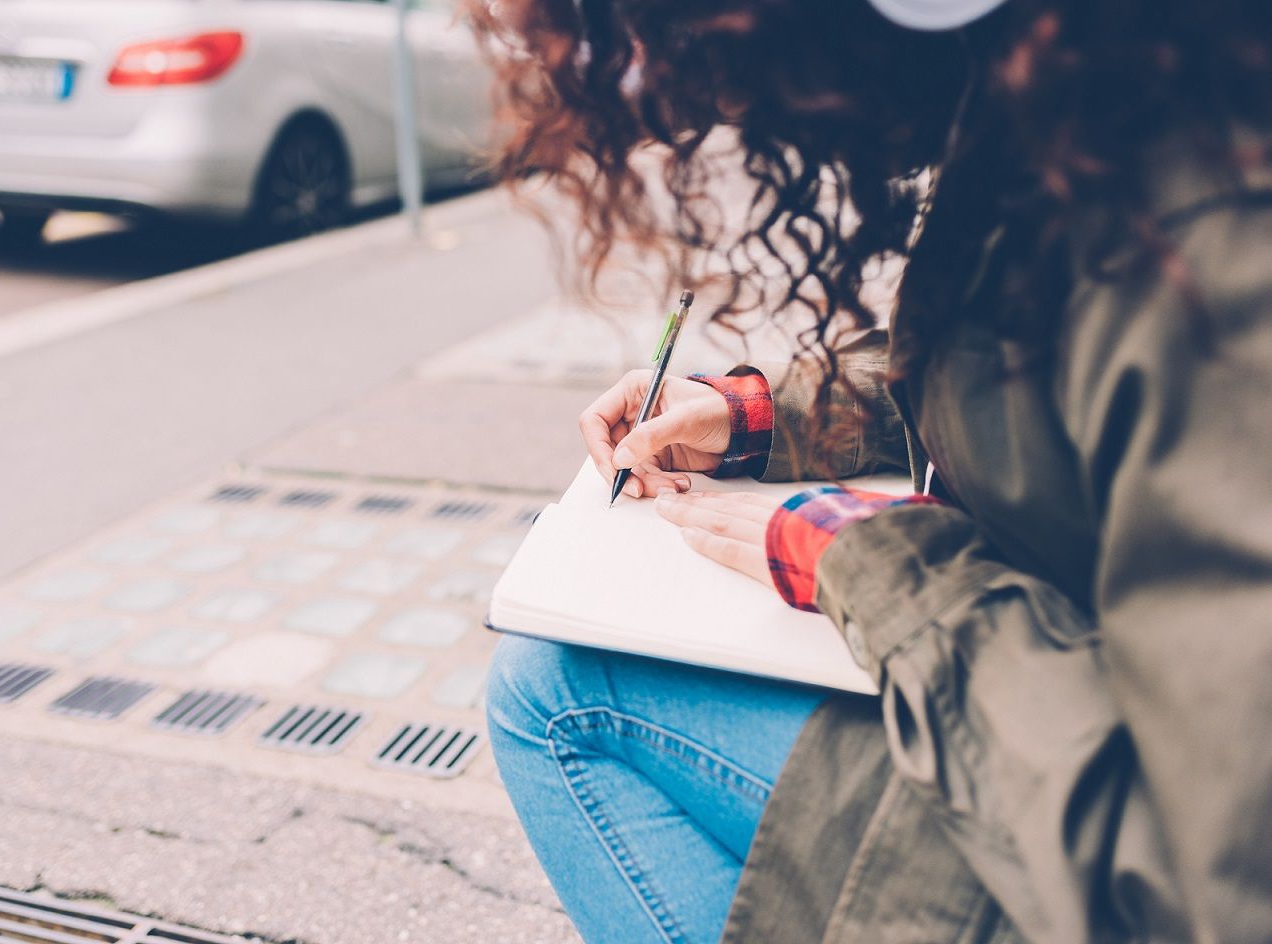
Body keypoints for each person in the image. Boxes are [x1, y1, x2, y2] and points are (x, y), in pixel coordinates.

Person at [469, 0, 1272, 941]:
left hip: (1100, 856)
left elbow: (1204, 893)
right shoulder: (1080, 113)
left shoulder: (1208, 239)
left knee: (554, 695)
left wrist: (886, 574)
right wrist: (760, 415)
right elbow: (1024, 375)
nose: (726, 98)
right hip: (1054, 717)